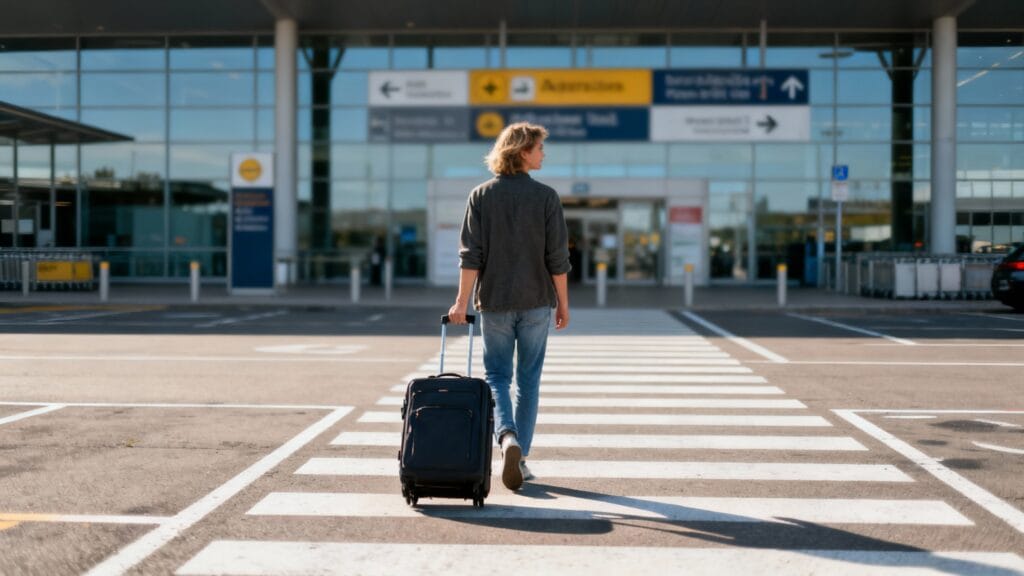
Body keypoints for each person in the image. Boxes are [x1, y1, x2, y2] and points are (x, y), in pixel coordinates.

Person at [447, 122, 571, 491]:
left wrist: (459, 303)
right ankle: (523, 454)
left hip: (496, 302)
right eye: (538, 148)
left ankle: (507, 439)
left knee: (497, 377)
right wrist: (563, 304)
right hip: (536, 303)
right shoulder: (547, 197)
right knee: (528, 381)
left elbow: (472, 256)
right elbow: (558, 258)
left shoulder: (481, 196)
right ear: (521, 152)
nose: (543, 154)